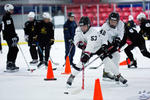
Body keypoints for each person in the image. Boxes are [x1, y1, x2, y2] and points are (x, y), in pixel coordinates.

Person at [65, 16, 127, 93]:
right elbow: (76, 39)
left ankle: (119, 76)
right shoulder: (78, 30)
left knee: (108, 62)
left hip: (98, 48)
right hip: (87, 48)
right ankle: (72, 77)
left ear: (88, 25)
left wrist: (86, 54)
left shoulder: (93, 33)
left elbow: (91, 45)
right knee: (81, 63)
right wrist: (79, 44)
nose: (82, 28)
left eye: (84, 26)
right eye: (81, 26)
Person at [99, 12, 127, 82]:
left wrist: (118, 39)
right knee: (108, 58)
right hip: (105, 42)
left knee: (116, 56)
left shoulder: (121, 24)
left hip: (114, 41)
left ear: (117, 21)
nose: (113, 23)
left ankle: (113, 74)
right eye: (111, 21)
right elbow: (103, 38)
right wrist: (104, 46)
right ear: (109, 20)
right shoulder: (104, 27)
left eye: (115, 21)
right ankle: (106, 73)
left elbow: (121, 33)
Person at [2, 4, 19, 71]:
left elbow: (11, 28)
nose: (12, 11)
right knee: (12, 49)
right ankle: (9, 63)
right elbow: (8, 29)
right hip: (9, 37)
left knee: (15, 49)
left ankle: (12, 63)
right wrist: (13, 36)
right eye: (11, 10)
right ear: (7, 10)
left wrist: (15, 35)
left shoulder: (8, 17)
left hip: (11, 36)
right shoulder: (6, 17)